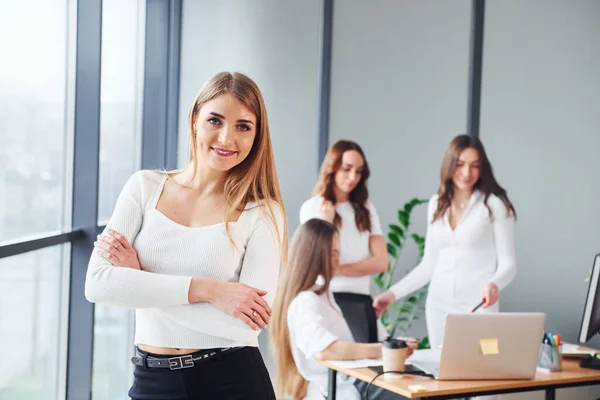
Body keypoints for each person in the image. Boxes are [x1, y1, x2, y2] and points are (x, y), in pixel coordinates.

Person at [85, 71, 287, 400]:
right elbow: (98, 285)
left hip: (232, 381)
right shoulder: (144, 187)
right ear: (194, 120)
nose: (226, 138)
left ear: (256, 136)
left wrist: (139, 280)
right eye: (215, 120)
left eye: (243, 126)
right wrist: (210, 291)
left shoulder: (262, 212)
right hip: (153, 380)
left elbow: (244, 325)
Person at [373, 134, 517, 351]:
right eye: (460, 164)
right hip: (439, 306)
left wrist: (494, 284)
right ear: (449, 165)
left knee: (486, 369)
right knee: (443, 371)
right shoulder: (436, 204)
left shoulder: (495, 205)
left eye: (475, 166)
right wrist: (392, 294)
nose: (467, 173)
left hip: (479, 306)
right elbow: (429, 265)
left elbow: (509, 263)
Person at [271, 218, 417, 400]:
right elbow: (326, 350)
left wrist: (393, 346)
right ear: (314, 255)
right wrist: (385, 351)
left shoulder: (322, 295)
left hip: (353, 379)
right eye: (332, 253)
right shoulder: (304, 302)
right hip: (343, 387)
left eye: (337, 252)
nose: (337, 259)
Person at [299, 140, 386, 317]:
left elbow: (381, 262)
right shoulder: (312, 208)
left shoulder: (366, 208)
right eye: (347, 169)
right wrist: (326, 222)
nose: (353, 177)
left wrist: (338, 270)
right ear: (333, 167)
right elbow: (318, 264)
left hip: (360, 299)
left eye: (359, 171)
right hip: (326, 297)